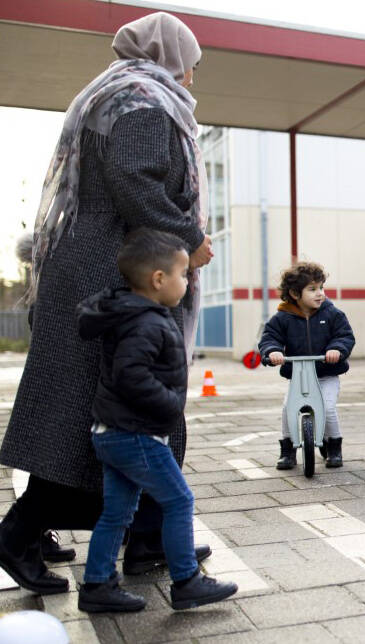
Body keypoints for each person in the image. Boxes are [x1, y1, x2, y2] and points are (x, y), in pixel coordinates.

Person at [0, 12, 213, 595]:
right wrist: (190, 240)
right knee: (112, 408)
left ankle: (147, 535)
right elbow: (136, 181)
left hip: (102, 260)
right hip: (115, 265)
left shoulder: (115, 92)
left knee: (109, 404)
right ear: (173, 56)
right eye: (192, 64)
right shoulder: (143, 101)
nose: (193, 78)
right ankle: (18, 535)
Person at [75, 229, 237, 612]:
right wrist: (168, 406)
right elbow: (132, 374)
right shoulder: (147, 321)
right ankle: (186, 581)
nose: (187, 281)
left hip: (113, 432)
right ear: (158, 279)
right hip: (136, 435)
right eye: (183, 274)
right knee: (178, 500)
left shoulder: (132, 313)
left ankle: (97, 585)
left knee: (117, 512)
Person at [259, 262, 355, 469]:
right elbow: (269, 338)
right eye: (312, 289)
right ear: (294, 293)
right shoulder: (283, 317)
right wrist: (273, 351)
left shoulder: (331, 314)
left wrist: (337, 349)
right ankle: (288, 450)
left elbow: (344, 335)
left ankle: (334, 447)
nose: (320, 293)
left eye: (321, 287)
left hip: (326, 375)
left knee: (327, 408)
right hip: (299, 377)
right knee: (288, 409)